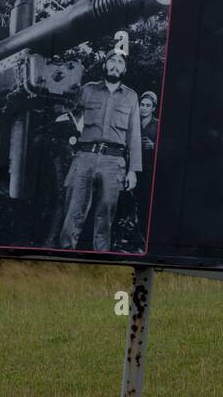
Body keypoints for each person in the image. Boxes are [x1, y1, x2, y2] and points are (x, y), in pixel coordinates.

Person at [57, 50, 142, 251]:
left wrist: (133, 171)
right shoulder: (87, 90)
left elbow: (134, 135)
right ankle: (63, 259)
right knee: (73, 212)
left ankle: (100, 260)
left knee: (105, 217)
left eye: (120, 62)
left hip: (114, 163)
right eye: (111, 60)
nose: (115, 65)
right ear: (105, 65)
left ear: (125, 68)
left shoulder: (131, 96)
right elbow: (67, 111)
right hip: (84, 157)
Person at [134, 91, 159, 236]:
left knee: (145, 205)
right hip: (132, 168)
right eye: (142, 104)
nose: (144, 108)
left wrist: (154, 146)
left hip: (148, 171)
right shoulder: (133, 121)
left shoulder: (158, 125)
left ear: (153, 108)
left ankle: (142, 237)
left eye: (148, 105)